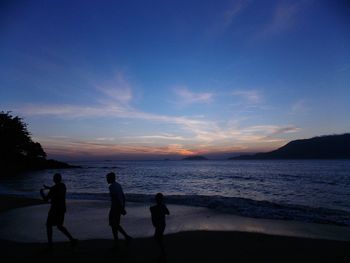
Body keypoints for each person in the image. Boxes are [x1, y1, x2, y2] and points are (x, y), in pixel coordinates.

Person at [40, 173, 78, 249]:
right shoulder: (63, 186)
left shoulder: (53, 189)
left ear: (54, 179)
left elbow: (46, 200)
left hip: (54, 209)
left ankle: (50, 244)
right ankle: (72, 239)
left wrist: (42, 193)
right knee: (60, 226)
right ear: (60, 179)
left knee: (49, 225)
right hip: (62, 209)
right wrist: (49, 188)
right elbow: (56, 189)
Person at [106, 172, 132, 248]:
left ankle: (122, 238)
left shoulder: (111, 187)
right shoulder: (118, 185)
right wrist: (123, 207)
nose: (106, 180)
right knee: (115, 224)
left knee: (113, 224)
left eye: (107, 178)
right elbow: (123, 197)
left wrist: (120, 209)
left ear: (111, 178)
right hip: (119, 206)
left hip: (115, 207)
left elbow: (115, 198)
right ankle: (121, 238)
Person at [150, 193, 170, 261]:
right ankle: (163, 251)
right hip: (161, 224)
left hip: (159, 224)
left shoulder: (154, 208)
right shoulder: (161, 206)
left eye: (156, 199)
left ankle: (163, 252)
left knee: (157, 237)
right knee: (158, 237)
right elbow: (168, 213)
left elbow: (167, 213)